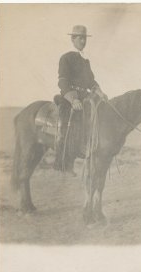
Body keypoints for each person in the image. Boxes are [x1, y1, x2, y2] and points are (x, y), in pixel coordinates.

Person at [54, 25, 108, 173]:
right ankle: (65, 159)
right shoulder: (66, 58)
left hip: (86, 97)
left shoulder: (85, 60)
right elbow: (63, 81)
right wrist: (73, 99)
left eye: (85, 38)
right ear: (73, 39)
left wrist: (100, 92)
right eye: (80, 38)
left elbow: (91, 82)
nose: (83, 40)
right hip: (71, 97)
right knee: (68, 123)